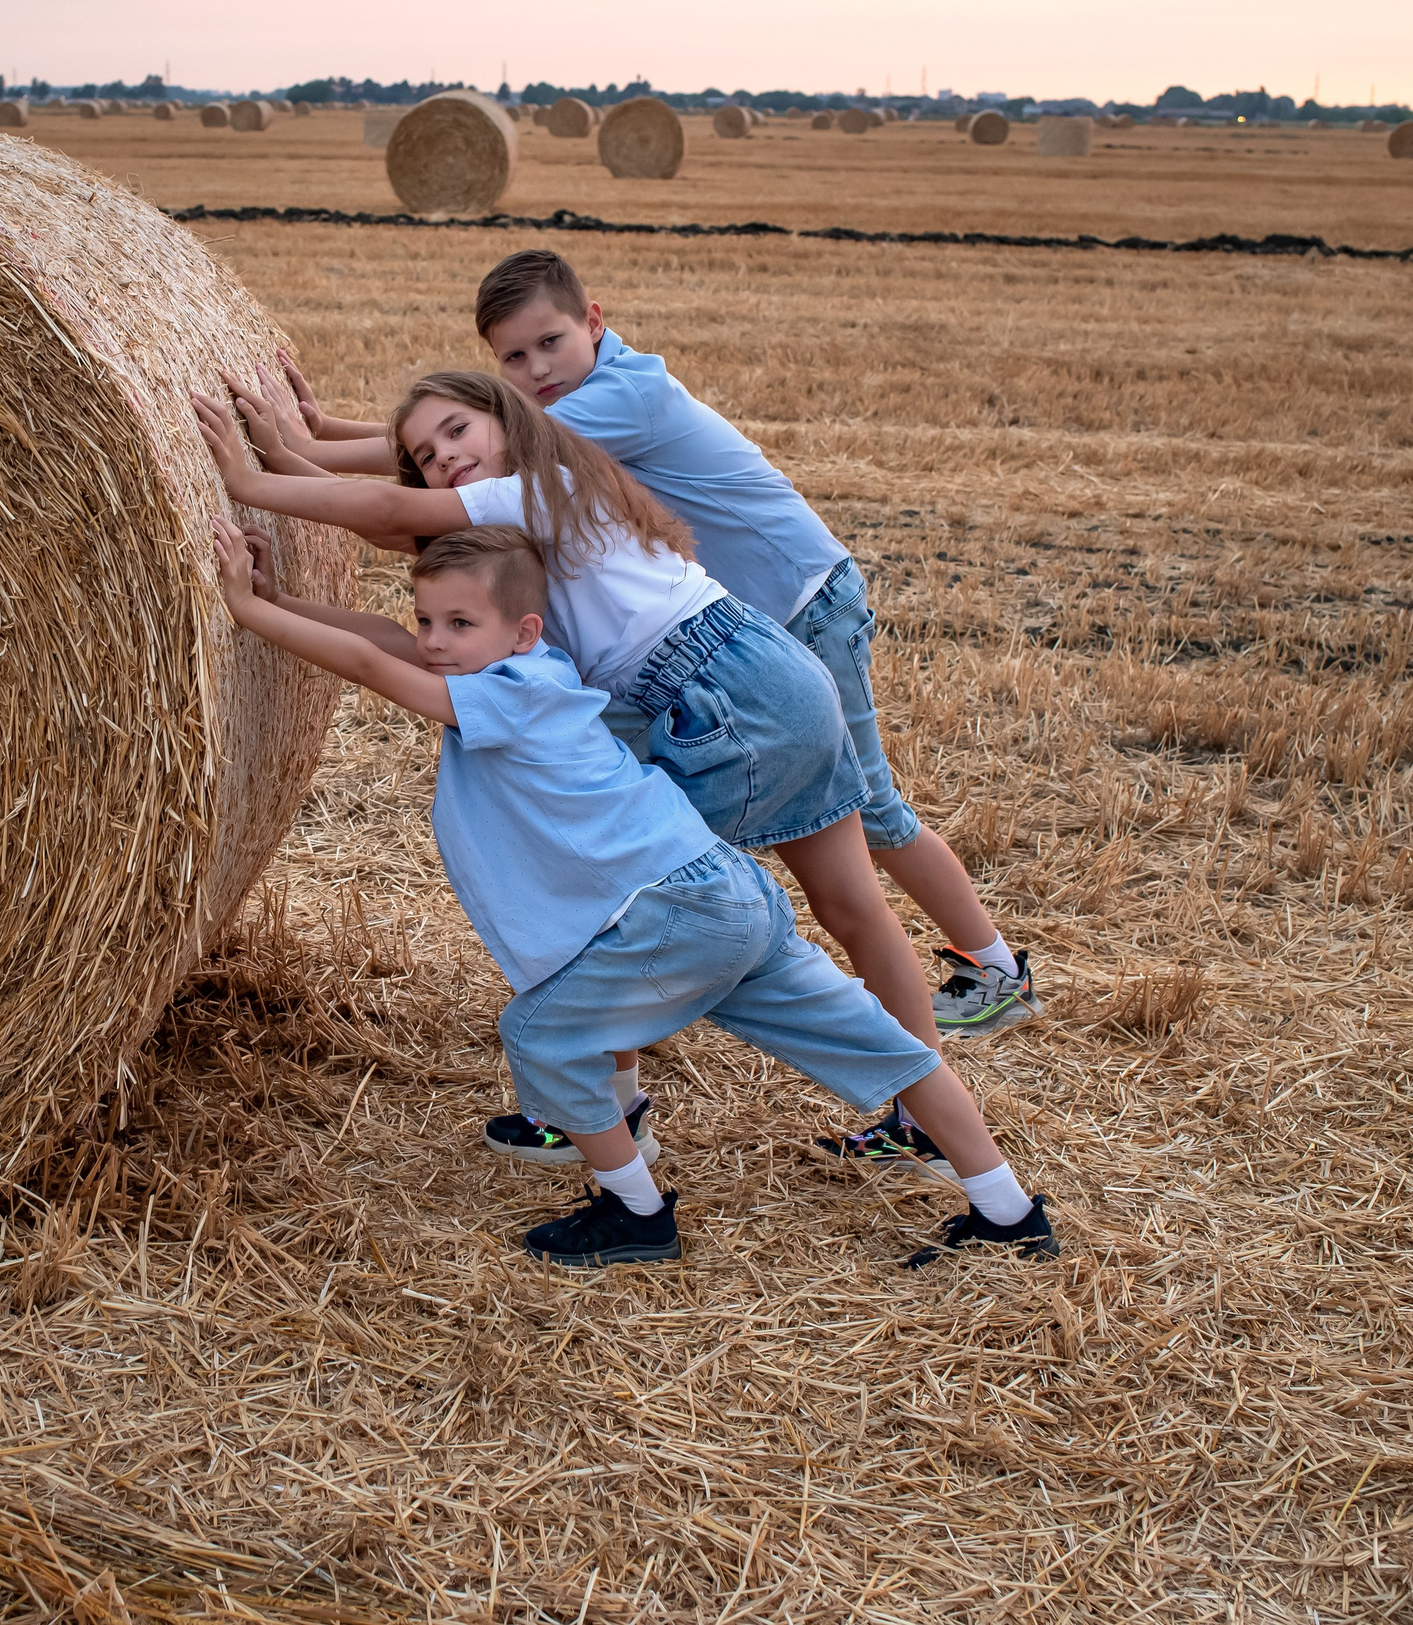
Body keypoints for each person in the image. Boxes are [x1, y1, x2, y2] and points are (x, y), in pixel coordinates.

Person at [203, 512, 1057, 1270]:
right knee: (885, 1048)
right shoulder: (530, 673)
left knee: (538, 1033)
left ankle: (636, 1212)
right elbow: (384, 641)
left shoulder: (517, 696)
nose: (433, 638)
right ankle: (1010, 1212)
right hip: (725, 896)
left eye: (458, 623)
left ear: (523, 628)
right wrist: (286, 603)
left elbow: (371, 662)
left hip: (674, 910)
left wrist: (249, 611)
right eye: (428, 618)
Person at [197, 370, 956, 1183]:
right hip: (770, 668)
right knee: (848, 904)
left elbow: (389, 514)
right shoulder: (532, 508)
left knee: (632, 898)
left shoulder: (534, 485)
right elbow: (404, 538)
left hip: (705, 696)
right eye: (424, 454)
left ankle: (606, 1110)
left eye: (457, 432)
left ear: (507, 420)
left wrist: (253, 480)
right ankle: (934, 1122)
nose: (443, 458)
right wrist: (289, 455)